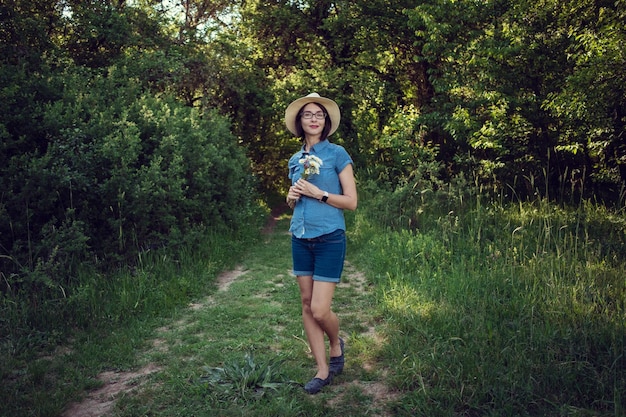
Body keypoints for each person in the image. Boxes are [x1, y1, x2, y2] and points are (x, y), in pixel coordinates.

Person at [284, 93, 358, 394]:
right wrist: (290, 198)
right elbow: (294, 202)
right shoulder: (294, 160)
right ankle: (322, 369)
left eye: (319, 115)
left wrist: (319, 193)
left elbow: (351, 202)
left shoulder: (337, 154)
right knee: (305, 304)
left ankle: (334, 342)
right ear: (300, 123)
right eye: (307, 115)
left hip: (329, 237)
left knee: (319, 309)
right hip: (300, 238)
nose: (314, 118)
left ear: (325, 122)